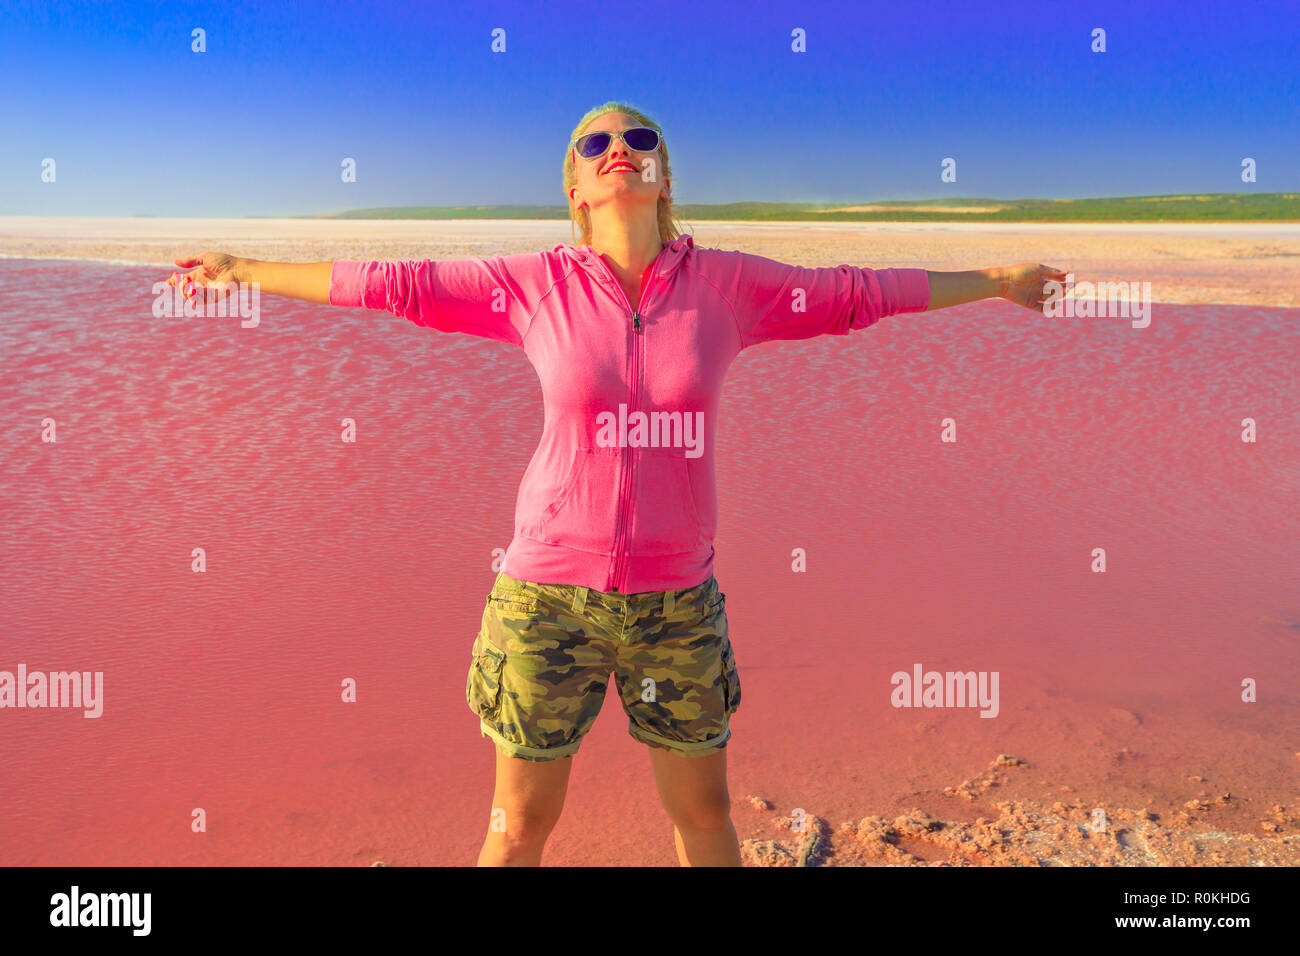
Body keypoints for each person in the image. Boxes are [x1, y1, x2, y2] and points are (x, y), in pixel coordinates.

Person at [166, 100, 1066, 867]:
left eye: (639, 139)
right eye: (596, 145)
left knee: (706, 817)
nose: (619, 151)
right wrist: (245, 270)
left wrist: (992, 280)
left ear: (666, 177)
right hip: (545, 597)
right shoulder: (532, 286)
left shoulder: (728, 286)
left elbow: (852, 292)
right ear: (575, 187)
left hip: (678, 602)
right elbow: (394, 283)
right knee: (518, 826)